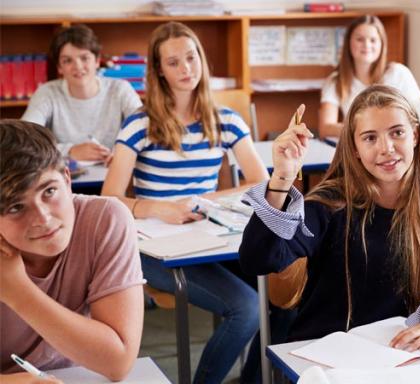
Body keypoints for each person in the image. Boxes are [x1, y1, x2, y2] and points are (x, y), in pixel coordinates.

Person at [240, 85, 420, 348]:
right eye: (369, 138)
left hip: (403, 355)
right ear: (354, 148)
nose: (386, 148)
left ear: (414, 135)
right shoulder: (329, 204)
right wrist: (282, 178)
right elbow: (258, 259)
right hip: (325, 355)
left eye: (397, 133)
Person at [101, 22, 269, 384]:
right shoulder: (139, 125)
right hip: (156, 248)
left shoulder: (225, 120)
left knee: (282, 299)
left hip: (211, 238)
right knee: (247, 309)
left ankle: (254, 379)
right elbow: (109, 198)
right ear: (159, 70)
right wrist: (161, 207)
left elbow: (261, 182)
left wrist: (203, 199)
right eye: (174, 62)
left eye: (191, 58)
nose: (186, 69)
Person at [0, 120, 144, 383]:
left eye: (49, 191)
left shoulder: (105, 219)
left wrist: (17, 292)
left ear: (67, 179)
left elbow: (117, 363)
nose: (43, 218)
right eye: (15, 207)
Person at [22, 24, 142, 162]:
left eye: (84, 58)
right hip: (66, 178)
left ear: (97, 61)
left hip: (113, 173)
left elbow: (145, 132)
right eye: (67, 60)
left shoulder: (121, 89)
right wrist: (70, 151)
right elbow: (25, 139)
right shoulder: (47, 93)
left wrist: (122, 153)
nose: (78, 67)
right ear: (59, 68)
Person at [318, 15, 420, 138]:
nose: (366, 45)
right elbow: (325, 128)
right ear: (348, 43)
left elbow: (417, 118)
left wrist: (368, 129)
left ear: (381, 44)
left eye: (373, 40)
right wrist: (366, 130)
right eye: (360, 39)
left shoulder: (399, 73)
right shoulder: (336, 80)